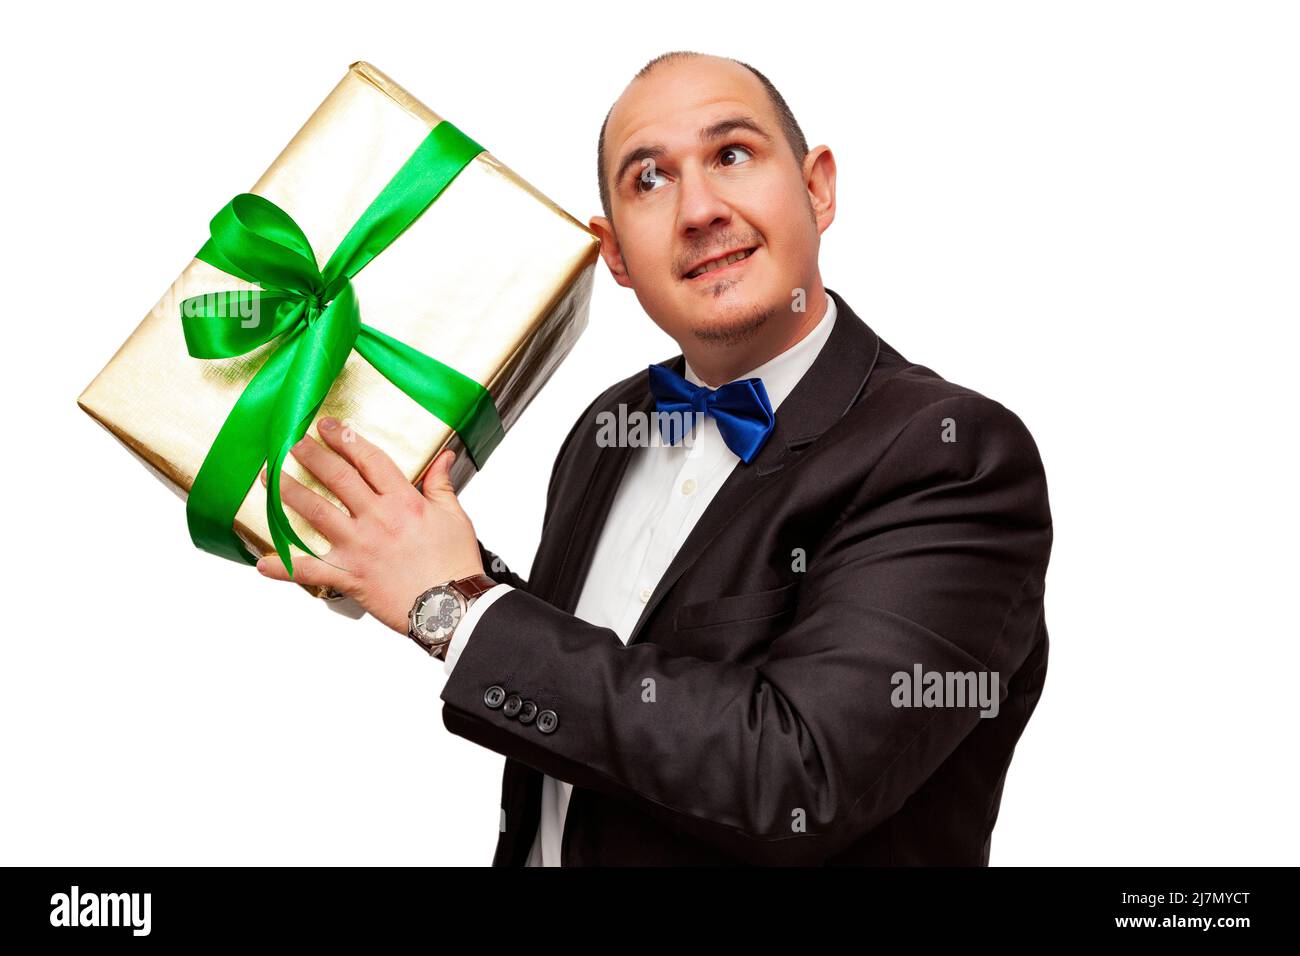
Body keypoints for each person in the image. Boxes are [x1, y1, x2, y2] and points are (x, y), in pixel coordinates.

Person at [255, 50, 1054, 866]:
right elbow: (607, 679)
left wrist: (459, 611)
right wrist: (412, 559)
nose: (700, 207)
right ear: (615, 255)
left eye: (732, 155)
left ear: (817, 187)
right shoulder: (613, 424)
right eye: (650, 180)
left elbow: (797, 775)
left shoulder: (952, 456)